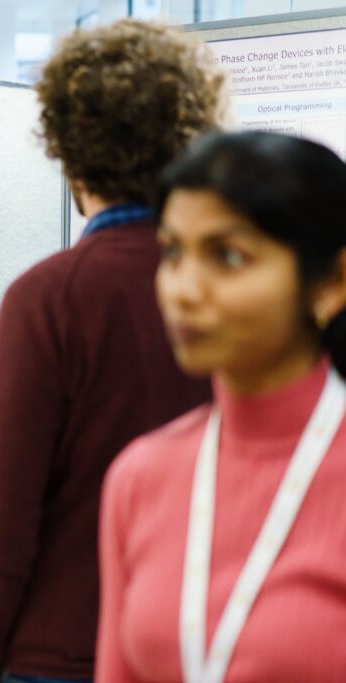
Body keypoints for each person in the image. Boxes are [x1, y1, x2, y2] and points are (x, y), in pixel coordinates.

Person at [0, 20, 223, 683]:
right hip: (209, 632)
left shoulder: (50, 296)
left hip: (67, 642)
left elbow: (3, 502)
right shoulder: (239, 283)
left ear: (67, 148)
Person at [97, 131, 346, 681]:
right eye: (172, 252)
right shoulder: (141, 476)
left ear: (330, 281)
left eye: (228, 256)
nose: (183, 289)